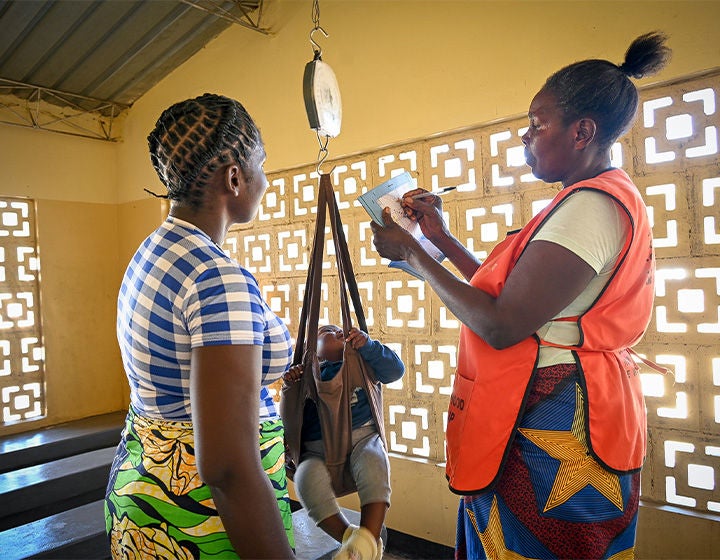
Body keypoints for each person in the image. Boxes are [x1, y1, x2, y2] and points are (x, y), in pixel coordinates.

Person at [371, 32, 671, 559]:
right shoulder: (588, 199)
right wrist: (436, 239)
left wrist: (412, 255)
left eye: (537, 124)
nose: (525, 137)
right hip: (562, 399)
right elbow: (507, 293)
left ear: (582, 131)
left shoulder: (589, 208)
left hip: (556, 415)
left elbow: (503, 323)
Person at [105, 93, 295, 559]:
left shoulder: (152, 251)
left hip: (143, 497)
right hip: (201, 522)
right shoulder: (216, 279)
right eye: (262, 164)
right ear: (235, 177)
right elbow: (229, 466)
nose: (266, 180)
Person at [283, 325, 405, 560]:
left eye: (340, 328)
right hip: (318, 451)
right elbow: (291, 416)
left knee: (375, 465)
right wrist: (292, 383)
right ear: (314, 351)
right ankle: (354, 541)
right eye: (327, 330)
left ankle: (366, 538)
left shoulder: (362, 360)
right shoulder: (308, 374)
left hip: (363, 438)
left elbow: (395, 371)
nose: (338, 330)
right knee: (305, 478)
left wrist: (368, 346)